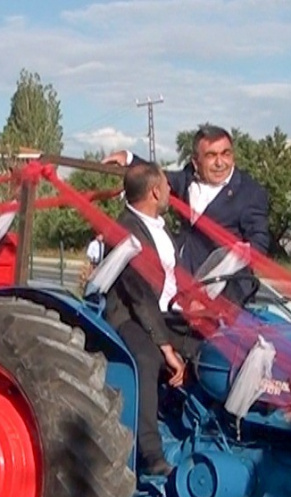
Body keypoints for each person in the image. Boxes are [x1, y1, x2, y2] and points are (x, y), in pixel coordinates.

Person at [105, 125, 270, 306]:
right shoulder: (186, 178)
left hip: (223, 302)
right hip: (180, 294)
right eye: (211, 155)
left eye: (226, 154)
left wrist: (215, 296)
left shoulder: (250, 192)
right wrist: (128, 158)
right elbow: (157, 178)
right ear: (195, 161)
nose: (220, 163)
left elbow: (257, 246)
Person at [103, 163, 191, 477]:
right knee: (147, 357)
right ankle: (150, 453)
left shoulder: (160, 227)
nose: (170, 191)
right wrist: (166, 346)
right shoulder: (125, 230)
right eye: (167, 185)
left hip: (168, 313)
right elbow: (138, 294)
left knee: (209, 352)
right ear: (155, 191)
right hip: (130, 316)